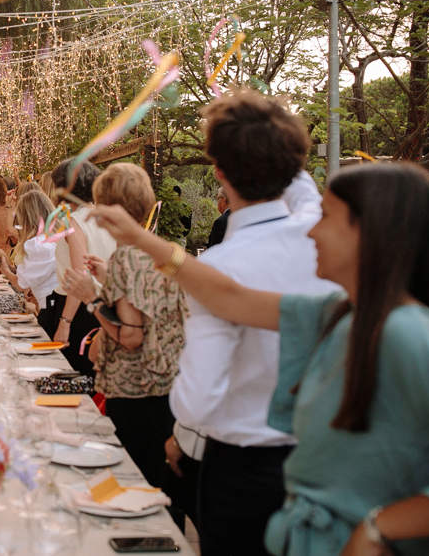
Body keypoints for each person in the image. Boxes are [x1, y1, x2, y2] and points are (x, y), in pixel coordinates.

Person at [89, 161, 429, 555]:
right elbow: (229, 297)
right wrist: (140, 238)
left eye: (327, 218)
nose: (311, 230)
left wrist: (377, 528)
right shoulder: (338, 311)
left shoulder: (408, 333)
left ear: (369, 233)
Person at [108, 90, 334, 556]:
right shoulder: (320, 233)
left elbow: (197, 401)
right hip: (325, 462)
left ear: (220, 174)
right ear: (295, 165)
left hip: (247, 474)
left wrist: (179, 438)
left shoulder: (219, 268)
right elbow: (299, 184)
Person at [60, 163, 187, 494]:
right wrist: (105, 280)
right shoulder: (153, 249)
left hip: (135, 390)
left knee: (131, 486)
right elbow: (145, 305)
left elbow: (131, 335)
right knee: (158, 489)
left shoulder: (126, 258)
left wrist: (91, 298)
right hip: (165, 389)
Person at [47, 159, 116, 377]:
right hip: (103, 305)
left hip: (77, 308)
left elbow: (79, 275)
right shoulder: (104, 218)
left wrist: (65, 322)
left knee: (72, 376)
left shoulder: (73, 222)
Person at [0, 190, 58, 329]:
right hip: (53, 306)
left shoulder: (38, 244)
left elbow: (21, 285)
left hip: (52, 310)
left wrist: (5, 270)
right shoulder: (52, 237)